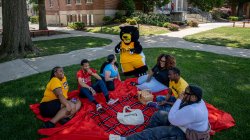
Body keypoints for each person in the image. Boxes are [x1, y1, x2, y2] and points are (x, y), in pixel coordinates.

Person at [109, 85, 210, 140]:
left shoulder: (192, 110)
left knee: (155, 132)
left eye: (185, 93)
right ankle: (144, 135)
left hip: (187, 134)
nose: (182, 94)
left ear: (193, 97)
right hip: (185, 125)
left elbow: (172, 119)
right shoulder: (198, 101)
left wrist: (179, 99)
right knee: (159, 114)